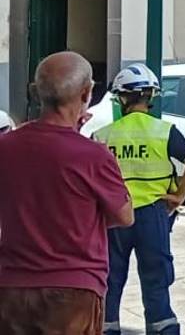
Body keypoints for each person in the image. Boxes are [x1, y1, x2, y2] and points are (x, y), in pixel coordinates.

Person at [0, 52, 134, 335]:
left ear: (36, 93)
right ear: (86, 93)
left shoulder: (6, 146)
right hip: (74, 289)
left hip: (12, 286)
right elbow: (124, 216)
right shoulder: (94, 156)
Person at [93, 65, 185, 335]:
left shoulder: (104, 135)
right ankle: (162, 329)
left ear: (121, 99)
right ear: (150, 96)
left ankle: (107, 329)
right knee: (156, 280)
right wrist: (178, 196)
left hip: (115, 216)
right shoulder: (165, 130)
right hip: (154, 215)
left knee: (111, 279)